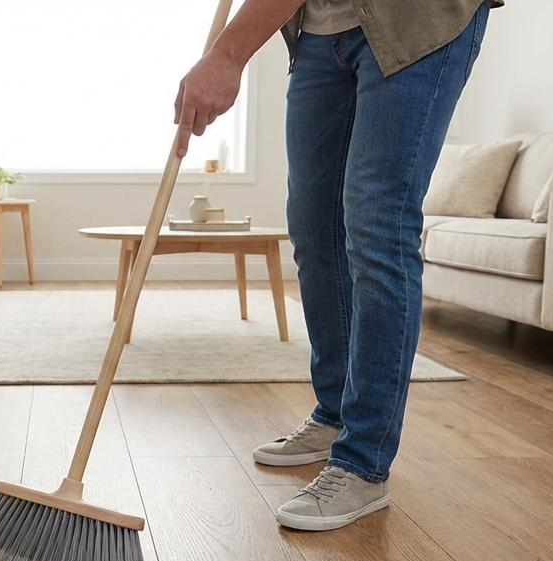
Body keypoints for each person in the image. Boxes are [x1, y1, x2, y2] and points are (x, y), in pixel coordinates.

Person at [174, 0, 500, 531]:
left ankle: (363, 461)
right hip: (320, 31)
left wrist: (228, 54)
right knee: (313, 226)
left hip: (415, 20)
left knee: (377, 224)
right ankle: (333, 415)